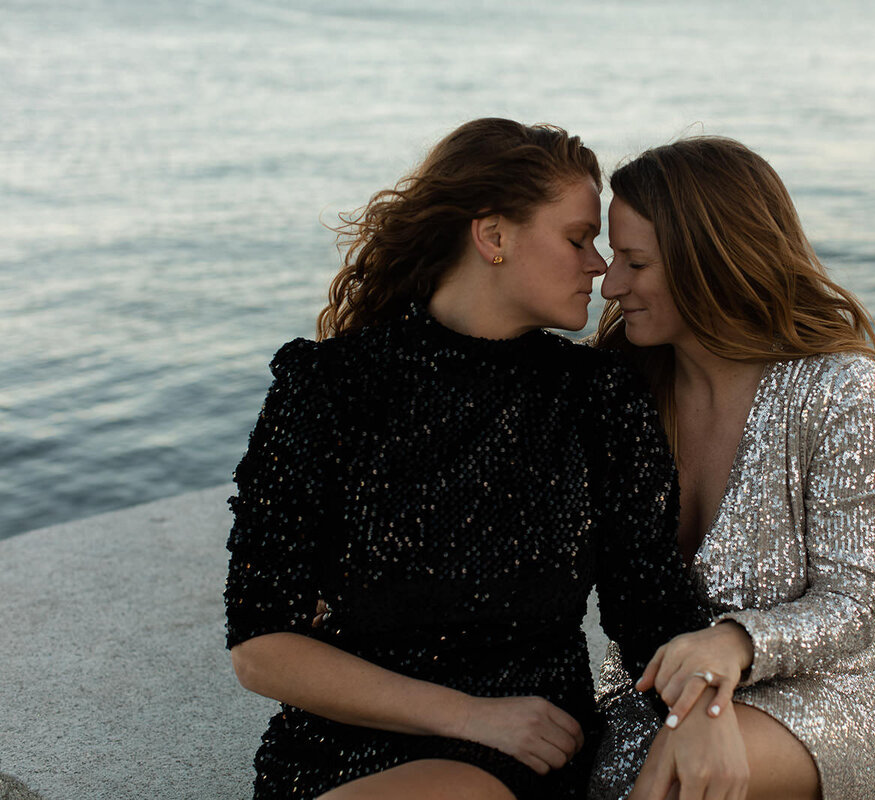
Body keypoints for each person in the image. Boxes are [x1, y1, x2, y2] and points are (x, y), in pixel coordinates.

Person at [223, 118, 709, 800]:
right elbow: (260, 644)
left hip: (527, 753)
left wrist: (707, 716)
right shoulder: (328, 386)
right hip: (337, 750)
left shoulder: (597, 396)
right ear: (494, 237)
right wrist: (470, 716)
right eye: (577, 238)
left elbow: (651, 610)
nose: (599, 267)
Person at [591, 137, 875, 800]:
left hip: (811, 699)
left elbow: (854, 601)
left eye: (634, 261)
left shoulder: (836, 388)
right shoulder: (624, 382)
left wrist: (732, 645)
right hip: (648, 688)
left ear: (706, 261)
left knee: (676, 785)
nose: (611, 284)